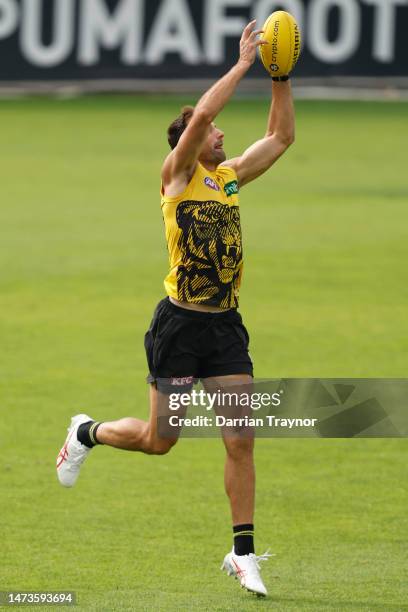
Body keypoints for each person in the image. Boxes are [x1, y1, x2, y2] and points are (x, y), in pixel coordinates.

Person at [56, 20, 295, 597]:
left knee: (241, 436)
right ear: (187, 143)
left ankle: (241, 552)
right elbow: (206, 119)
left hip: (225, 327)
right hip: (180, 326)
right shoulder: (177, 178)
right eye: (209, 134)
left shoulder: (228, 180)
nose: (220, 138)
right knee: (161, 440)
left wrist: (280, 77)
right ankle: (87, 432)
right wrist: (242, 65)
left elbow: (281, 138)